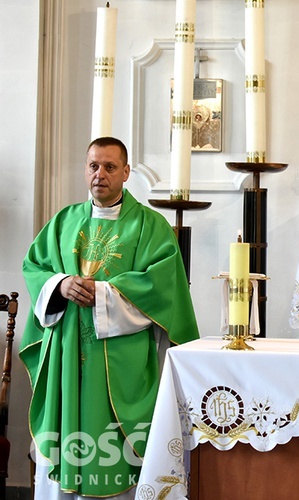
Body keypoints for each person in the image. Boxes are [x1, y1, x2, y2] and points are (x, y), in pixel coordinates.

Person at [21, 137, 200, 498]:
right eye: (93, 166)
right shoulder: (63, 222)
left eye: (109, 167)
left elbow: (162, 285)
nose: (99, 174)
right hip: (67, 354)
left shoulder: (151, 226)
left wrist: (101, 293)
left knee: (119, 450)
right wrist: (60, 284)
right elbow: (34, 267)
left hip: (122, 360)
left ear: (126, 172)